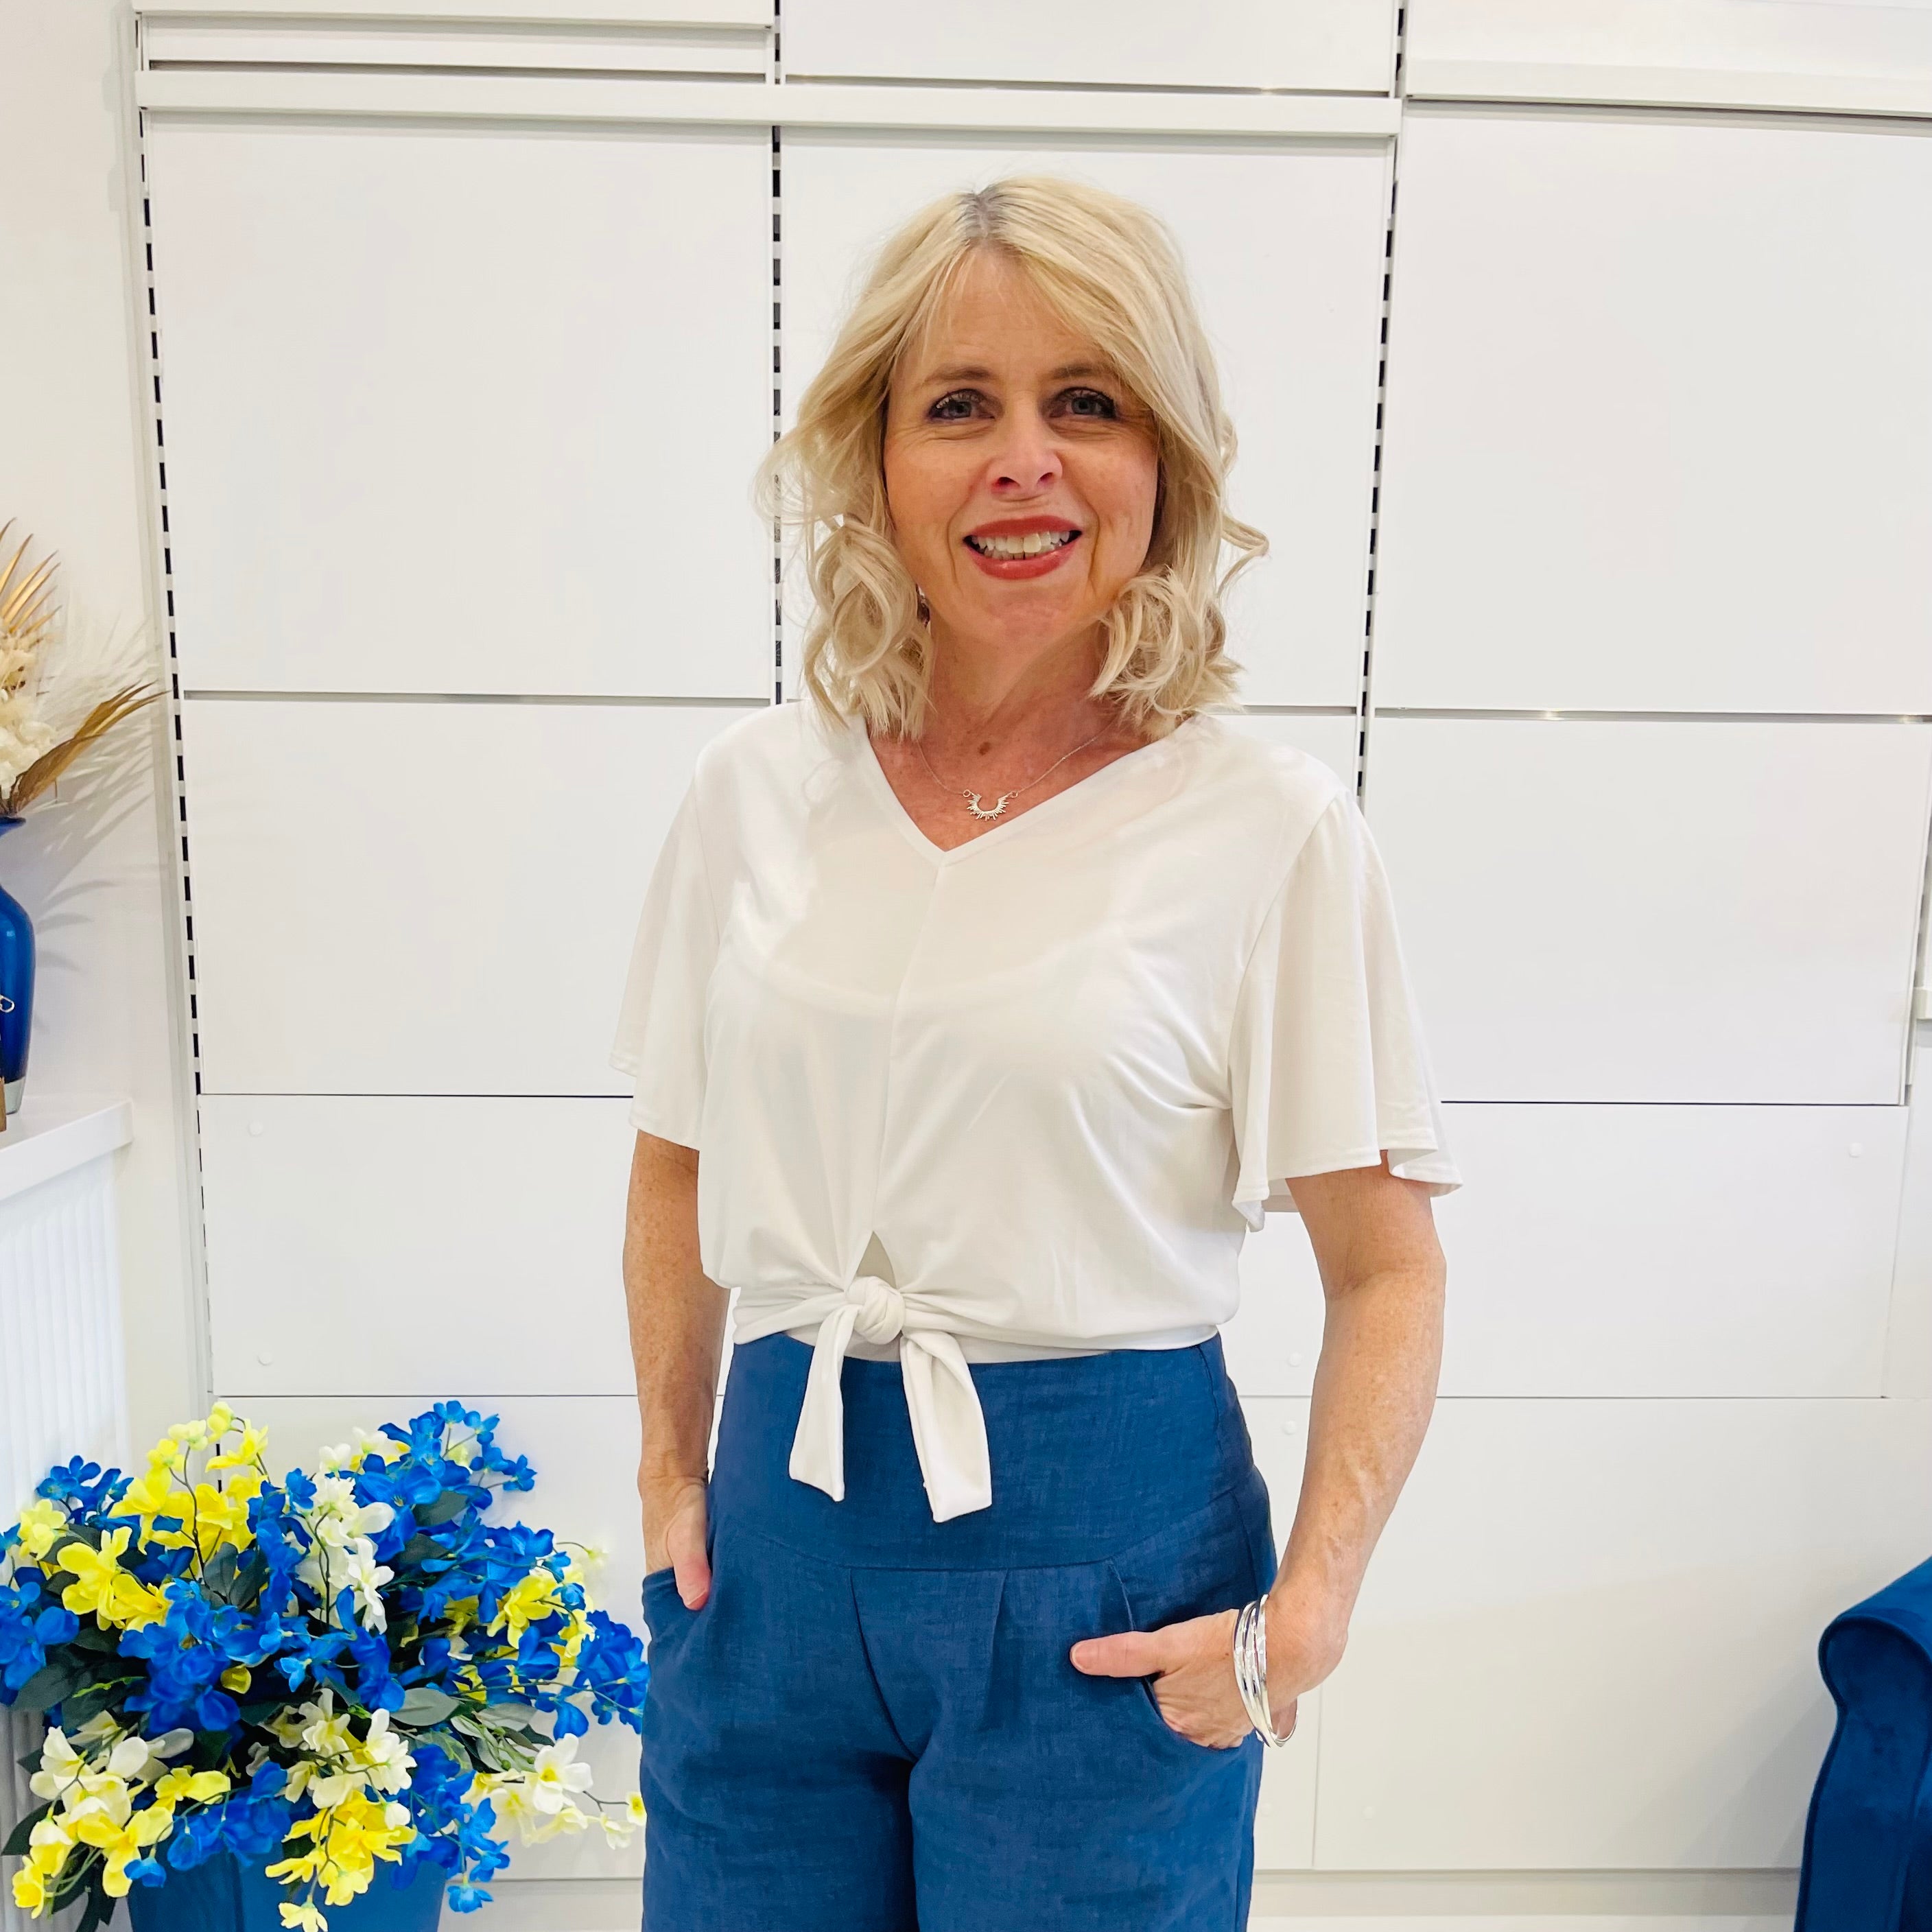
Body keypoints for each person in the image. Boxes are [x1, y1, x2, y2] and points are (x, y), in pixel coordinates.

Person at [609, 174, 1460, 1932]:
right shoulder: (751, 796)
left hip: (1108, 1567)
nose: (1024, 459)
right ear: (872, 464)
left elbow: (1384, 1268)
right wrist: (670, 1466)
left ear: (1165, 467)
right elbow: (675, 1157)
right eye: (957, 407)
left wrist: (1306, 1611)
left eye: (1088, 403)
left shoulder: (1267, 830)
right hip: (775, 1552)